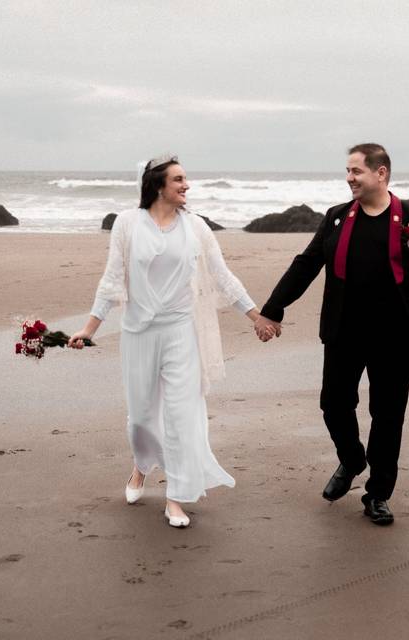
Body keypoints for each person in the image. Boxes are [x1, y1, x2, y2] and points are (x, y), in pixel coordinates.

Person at [255, 143, 409, 525]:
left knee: (388, 416)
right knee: (333, 404)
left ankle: (378, 494)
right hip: (343, 330)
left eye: (356, 171)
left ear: (380, 174)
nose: (349, 178)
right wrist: (273, 309)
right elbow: (307, 265)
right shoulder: (336, 218)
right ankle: (351, 460)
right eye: (347, 172)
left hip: (394, 335)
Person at [68, 154, 272, 528]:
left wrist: (256, 315)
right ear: (157, 185)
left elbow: (222, 276)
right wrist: (89, 328)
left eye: (185, 179)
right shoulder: (128, 224)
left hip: (181, 331)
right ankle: (141, 466)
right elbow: (112, 279)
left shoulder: (196, 227)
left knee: (182, 416)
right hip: (139, 333)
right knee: (142, 418)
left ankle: (176, 497)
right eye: (178, 179)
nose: (186, 185)